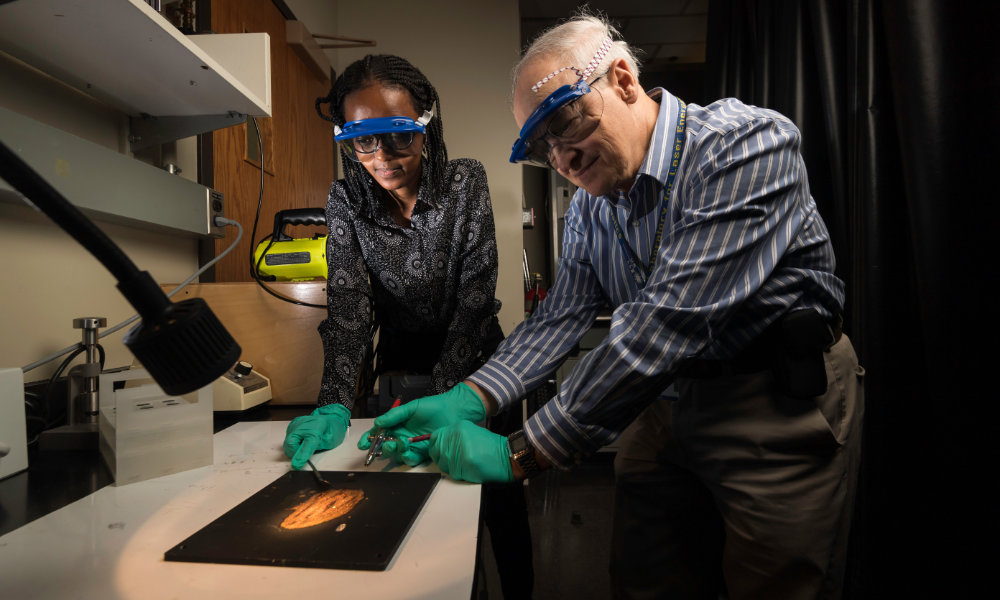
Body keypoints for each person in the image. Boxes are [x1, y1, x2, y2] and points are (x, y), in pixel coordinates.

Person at [372, 14, 865, 600]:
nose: (562, 157)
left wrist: (518, 454)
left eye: (562, 121)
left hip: (772, 400)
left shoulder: (744, 147)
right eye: (541, 146)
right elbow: (561, 317)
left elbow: (665, 324)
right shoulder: (589, 207)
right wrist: (472, 397)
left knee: (777, 583)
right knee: (644, 578)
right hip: (662, 402)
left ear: (624, 79)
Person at [281, 54, 533, 598]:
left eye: (397, 136)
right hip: (397, 366)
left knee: (499, 508)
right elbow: (349, 309)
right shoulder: (345, 199)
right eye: (362, 141)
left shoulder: (465, 180)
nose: (382, 157)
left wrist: (444, 401)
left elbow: (473, 302)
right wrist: (334, 401)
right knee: (408, 505)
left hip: (479, 370)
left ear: (427, 124)